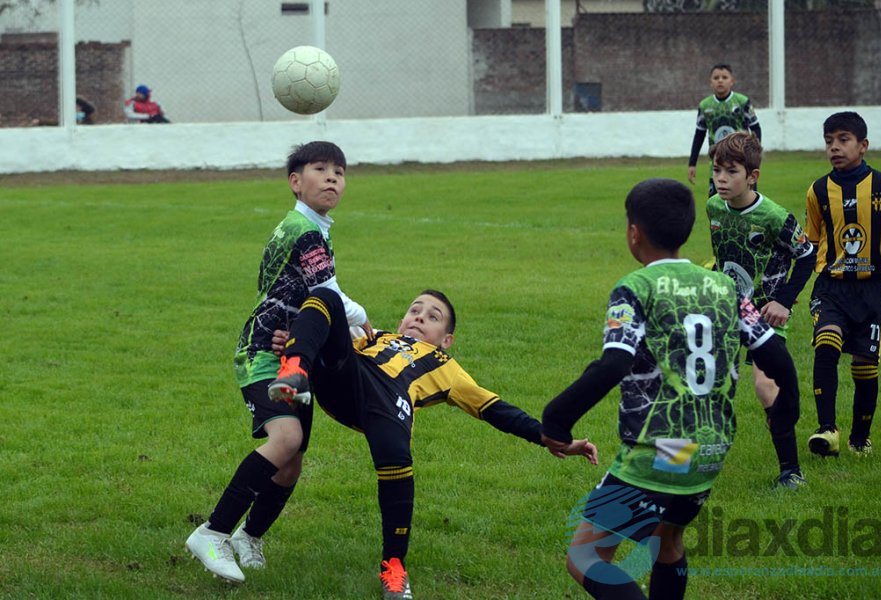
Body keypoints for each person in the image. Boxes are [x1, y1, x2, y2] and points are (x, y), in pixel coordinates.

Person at [541, 179, 801, 600]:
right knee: (666, 544)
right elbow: (775, 355)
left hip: (661, 452)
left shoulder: (635, 287)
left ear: (633, 232)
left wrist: (556, 419)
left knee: (586, 557)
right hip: (710, 451)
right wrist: (788, 404)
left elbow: (614, 364)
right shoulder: (725, 287)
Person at [267, 287, 598, 600]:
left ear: (447, 340)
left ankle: (394, 565)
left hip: (385, 406)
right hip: (344, 383)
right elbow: (325, 334)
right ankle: (293, 369)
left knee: (397, 454)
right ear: (401, 321)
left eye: (433, 316)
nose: (420, 317)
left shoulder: (446, 367)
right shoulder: (374, 337)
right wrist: (297, 343)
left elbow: (497, 410)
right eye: (414, 310)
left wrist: (548, 437)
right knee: (326, 298)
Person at [185, 141, 373, 584]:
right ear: (295, 181)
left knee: (291, 461)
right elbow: (329, 295)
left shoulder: (312, 228)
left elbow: (315, 297)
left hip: (293, 352)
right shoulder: (303, 230)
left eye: (339, 172)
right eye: (320, 169)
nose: (331, 178)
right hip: (264, 353)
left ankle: (249, 536)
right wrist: (364, 321)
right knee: (285, 438)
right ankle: (213, 531)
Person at [706, 131, 815, 488]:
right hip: (725, 307)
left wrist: (783, 299)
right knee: (709, 383)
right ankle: (693, 463)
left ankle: (790, 470)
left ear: (753, 176)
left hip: (764, 313)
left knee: (765, 385)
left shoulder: (773, 216)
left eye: (731, 171)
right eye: (716, 170)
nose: (721, 179)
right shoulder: (713, 206)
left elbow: (807, 255)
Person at [804, 111, 881, 458]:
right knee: (827, 342)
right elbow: (810, 245)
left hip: (872, 290)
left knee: (864, 366)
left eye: (843, 139)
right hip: (831, 287)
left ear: (863, 145)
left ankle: (860, 439)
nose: (834, 147)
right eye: (829, 141)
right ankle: (827, 429)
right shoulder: (817, 191)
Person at [687, 64, 761, 197]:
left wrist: (755, 157)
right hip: (717, 163)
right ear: (710, 82)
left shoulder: (742, 102)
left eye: (724, 77)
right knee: (717, 205)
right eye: (716, 77)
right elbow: (699, 135)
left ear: (732, 81)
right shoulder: (705, 106)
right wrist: (692, 163)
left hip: (742, 162)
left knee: (747, 206)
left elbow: (756, 128)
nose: (720, 80)